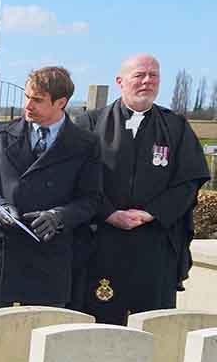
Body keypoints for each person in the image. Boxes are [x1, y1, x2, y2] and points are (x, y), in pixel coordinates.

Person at [75, 54, 209, 323]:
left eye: (154, 75)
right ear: (120, 81)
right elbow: (77, 179)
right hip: (100, 241)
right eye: (139, 75)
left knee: (151, 325)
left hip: (154, 244)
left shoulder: (176, 127)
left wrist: (150, 213)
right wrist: (109, 213)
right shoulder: (89, 124)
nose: (147, 81)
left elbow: (189, 181)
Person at [0, 66, 103, 320]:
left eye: (37, 100)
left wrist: (59, 216)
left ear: (61, 102)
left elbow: (91, 199)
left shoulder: (85, 144)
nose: (27, 105)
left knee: (41, 344)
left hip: (48, 259)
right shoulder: (0, 134)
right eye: (27, 96)